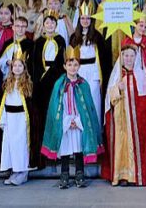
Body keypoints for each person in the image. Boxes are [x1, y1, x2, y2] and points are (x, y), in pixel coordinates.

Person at [41, 46, 104, 189]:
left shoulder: (84, 84)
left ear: (79, 66)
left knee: (78, 149)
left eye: (75, 65)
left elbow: (87, 107)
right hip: (64, 122)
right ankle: (64, 175)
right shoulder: (59, 84)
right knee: (65, 150)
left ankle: (79, 174)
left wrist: (77, 121)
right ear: (64, 66)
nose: (73, 68)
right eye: (69, 65)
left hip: (79, 122)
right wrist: (67, 121)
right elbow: (56, 106)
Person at [102, 45, 146, 186]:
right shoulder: (117, 75)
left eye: (131, 56)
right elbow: (109, 100)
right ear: (121, 57)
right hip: (121, 119)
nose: (129, 59)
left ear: (136, 58)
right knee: (121, 144)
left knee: (138, 144)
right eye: (126, 55)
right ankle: (122, 175)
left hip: (137, 120)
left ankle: (137, 175)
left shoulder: (141, 75)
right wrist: (117, 89)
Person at [0, 47, 39, 186]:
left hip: (22, 119)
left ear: (24, 67)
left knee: (21, 145)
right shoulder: (6, 83)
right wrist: (3, 119)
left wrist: (28, 119)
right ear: (11, 67)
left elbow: (31, 105)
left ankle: (23, 171)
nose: (17, 68)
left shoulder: (28, 84)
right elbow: (2, 102)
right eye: (15, 65)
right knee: (10, 145)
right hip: (9, 118)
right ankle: (14, 170)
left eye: (20, 65)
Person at [69, 2, 109, 126]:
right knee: (79, 101)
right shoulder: (74, 37)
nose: (85, 21)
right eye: (82, 18)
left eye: (87, 18)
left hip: (93, 72)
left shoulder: (97, 36)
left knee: (94, 100)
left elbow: (103, 58)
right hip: (79, 71)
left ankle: (95, 131)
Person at [30, 10, 66, 140]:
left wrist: (53, 75)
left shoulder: (60, 40)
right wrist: (40, 77)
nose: (50, 25)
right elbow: (35, 62)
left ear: (56, 25)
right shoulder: (38, 42)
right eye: (47, 22)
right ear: (43, 25)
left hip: (55, 78)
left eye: (52, 22)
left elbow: (61, 60)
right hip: (41, 81)